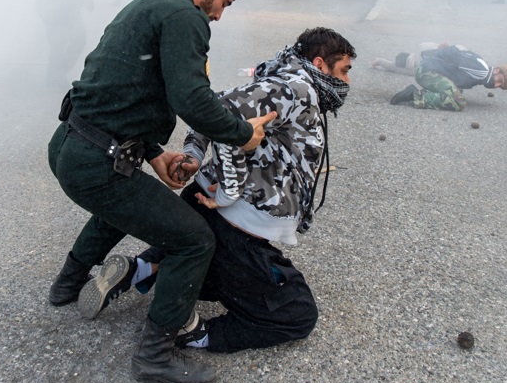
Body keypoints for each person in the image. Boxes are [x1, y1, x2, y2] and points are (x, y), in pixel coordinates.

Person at [46, 0, 276, 383]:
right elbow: (192, 99)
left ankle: (67, 285)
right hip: (95, 161)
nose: (219, 15)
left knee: (126, 203)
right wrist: (242, 133)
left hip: (71, 145)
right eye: (224, 2)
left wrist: (154, 153)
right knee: (194, 239)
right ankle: (154, 355)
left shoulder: (148, 4)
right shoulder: (185, 16)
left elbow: (121, 88)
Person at [78, 27, 356, 354]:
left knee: (195, 259)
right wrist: (229, 191)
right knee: (296, 315)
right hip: (233, 228)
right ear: (320, 64)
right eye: (344, 70)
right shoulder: (297, 88)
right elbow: (223, 114)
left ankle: (141, 269)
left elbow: (210, 108)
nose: (347, 81)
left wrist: (194, 155)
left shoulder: (280, 80)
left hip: (206, 208)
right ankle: (192, 331)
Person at [372, 42, 507, 110]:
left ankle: (425, 91)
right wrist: (434, 58)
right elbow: (454, 52)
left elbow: (457, 61)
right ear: (497, 71)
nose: (496, 85)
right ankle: (413, 95)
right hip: (428, 72)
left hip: (429, 69)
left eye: (500, 86)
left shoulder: (482, 67)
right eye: (500, 80)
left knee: (457, 93)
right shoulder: (482, 71)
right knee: (459, 103)